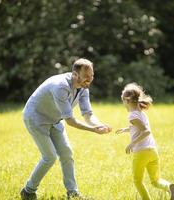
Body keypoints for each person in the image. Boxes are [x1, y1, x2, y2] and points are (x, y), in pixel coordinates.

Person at [20, 58, 112, 200]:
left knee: (66, 153)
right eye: (86, 76)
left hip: (55, 120)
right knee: (49, 157)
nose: (90, 79)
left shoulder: (83, 88)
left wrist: (99, 125)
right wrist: (93, 130)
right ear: (75, 74)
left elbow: (88, 114)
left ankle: (72, 193)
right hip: (35, 118)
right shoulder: (60, 86)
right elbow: (70, 121)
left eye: (92, 75)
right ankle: (28, 190)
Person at [116, 83, 174, 200]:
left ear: (127, 100)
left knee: (137, 181)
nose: (123, 103)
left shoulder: (132, 116)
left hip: (141, 153)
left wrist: (132, 143)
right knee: (156, 181)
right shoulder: (141, 114)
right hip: (153, 151)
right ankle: (170, 187)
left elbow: (145, 131)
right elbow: (138, 127)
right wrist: (126, 129)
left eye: (123, 100)